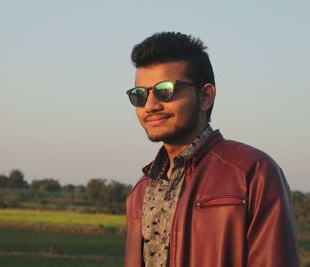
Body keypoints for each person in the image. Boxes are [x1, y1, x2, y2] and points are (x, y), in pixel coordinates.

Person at [124, 32, 299, 267]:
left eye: (165, 90)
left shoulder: (252, 173)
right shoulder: (140, 191)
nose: (151, 105)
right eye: (140, 94)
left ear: (206, 96)